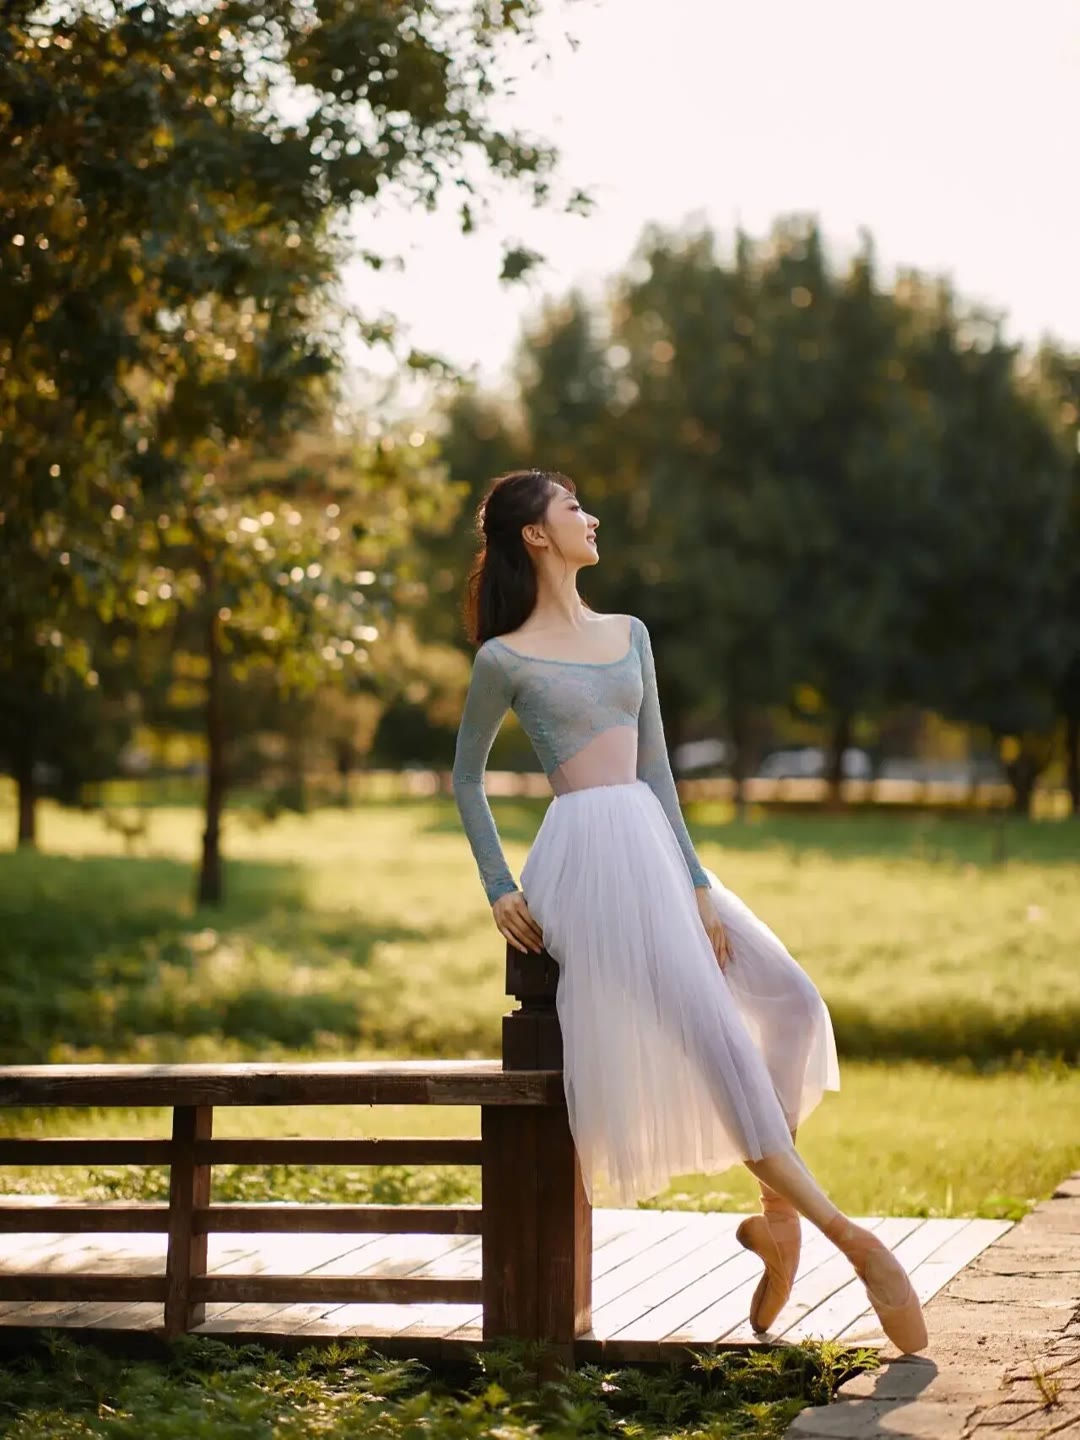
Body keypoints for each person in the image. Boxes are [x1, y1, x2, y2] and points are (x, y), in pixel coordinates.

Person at [451, 468, 927, 1354]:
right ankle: (854, 1244)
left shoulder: (630, 634)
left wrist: (699, 884)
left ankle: (777, 1219)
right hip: (586, 868)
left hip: (657, 852)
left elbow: (659, 772)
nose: (592, 516)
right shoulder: (504, 659)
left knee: (788, 1003)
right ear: (536, 537)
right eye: (572, 508)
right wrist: (498, 884)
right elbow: (466, 777)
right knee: (715, 1044)